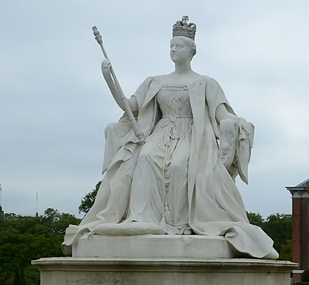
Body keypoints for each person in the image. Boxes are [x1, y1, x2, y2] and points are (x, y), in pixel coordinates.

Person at [63, 16, 276, 259]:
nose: (173, 49)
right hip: (161, 133)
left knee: (179, 165)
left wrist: (236, 122)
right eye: (171, 45)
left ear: (192, 50)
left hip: (191, 136)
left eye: (179, 45)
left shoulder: (205, 83)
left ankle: (177, 225)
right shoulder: (156, 81)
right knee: (144, 159)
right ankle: (142, 218)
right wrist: (108, 79)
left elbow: (221, 113)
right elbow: (128, 105)